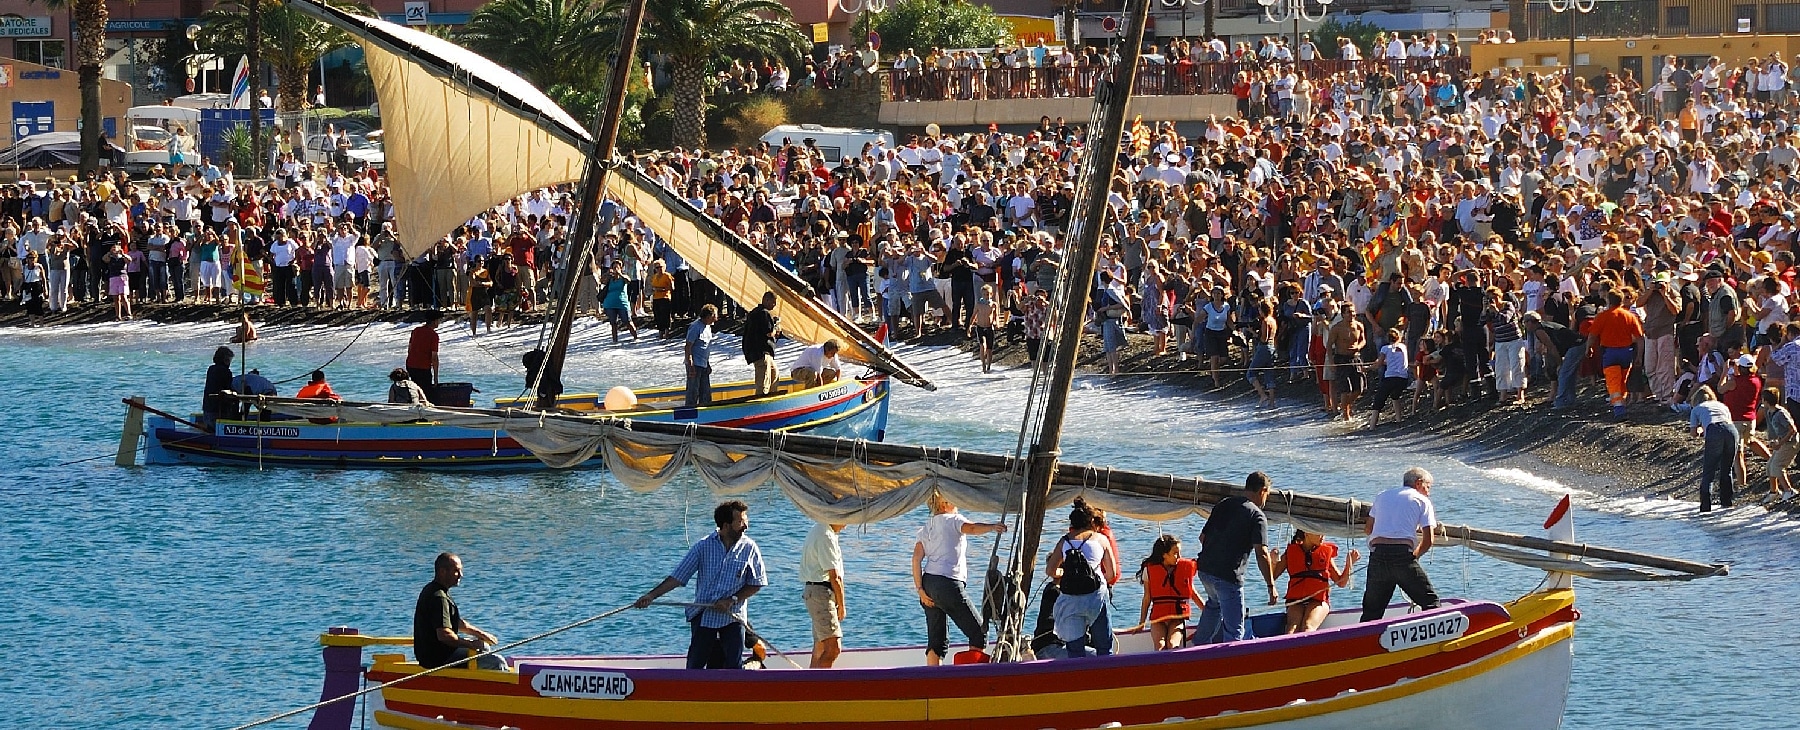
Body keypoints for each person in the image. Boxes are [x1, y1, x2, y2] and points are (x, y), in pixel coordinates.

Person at [634, 501, 767, 670]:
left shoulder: (750, 548)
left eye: (745, 520)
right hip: (705, 615)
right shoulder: (703, 547)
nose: (746, 525)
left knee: (734, 665)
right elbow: (677, 577)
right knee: (695, 665)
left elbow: (757, 583)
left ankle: (740, 683)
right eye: (740, 521)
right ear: (726, 526)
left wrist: (732, 600)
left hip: (733, 615)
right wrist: (650, 596)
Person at [912, 491, 1007, 666]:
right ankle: (971, 678)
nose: (957, 503)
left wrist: (920, 590)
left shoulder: (926, 527)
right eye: (954, 500)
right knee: (979, 632)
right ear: (944, 504)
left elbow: (916, 559)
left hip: (928, 583)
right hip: (947, 584)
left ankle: (934, 681)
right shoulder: (953, 520)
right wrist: (992, 527)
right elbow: (971, 528)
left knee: (936, 640)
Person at [1193, 471, 1279, 644]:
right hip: (1228, 576)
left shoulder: (1224, 504)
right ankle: (1230, 663)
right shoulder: (1257, 516)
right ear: (1262, 491)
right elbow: (1261, 553)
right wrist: (1271, 586)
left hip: (1205, 570)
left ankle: (1197, 649)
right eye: (1267, 495)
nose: (1266, 500)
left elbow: (1202, 537)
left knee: (1214, 605)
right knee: (1235, 631)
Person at [1360, 467, 1441, 622]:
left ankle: (1363, 643)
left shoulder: (1382, 496)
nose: (1429, 493)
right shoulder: (1422, 501)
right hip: (1402, 556)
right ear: (1418, 483)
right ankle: (1435, 640)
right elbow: (1428, 540)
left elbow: (1368, 529)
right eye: (1428, 487)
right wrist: (1414, 556)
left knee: (1372, 611)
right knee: (1431, 603)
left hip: (1377, 556)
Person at [1046, 498, 1117, 658]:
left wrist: (1067, 575)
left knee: (1075, 650)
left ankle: (1078, 679)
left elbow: (1050, 570)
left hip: (1071, 598)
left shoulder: (1064, 541)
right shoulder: (1100, 539)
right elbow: (1111, 574)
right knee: (1104, 648)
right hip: (1096, 597)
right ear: (1091, 520)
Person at [413, 552, 503, 670]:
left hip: (436, 654)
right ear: (442, 572)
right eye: (456, 571)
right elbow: (444, 635)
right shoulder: (438, 597)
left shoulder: (434, 590)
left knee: (484, 646)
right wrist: (470, 644)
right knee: (497, 662)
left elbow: (456, 622)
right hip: (438, 659)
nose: (461, 575)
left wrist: (481, 634)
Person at [1273, 530, 1359, 633]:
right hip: (1296, 601)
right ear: (1307, 533)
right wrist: (1273, 562)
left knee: (1307, 627)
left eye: (1323, 533)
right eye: (1319, 533)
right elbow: (1273, 576)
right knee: (1291, 629)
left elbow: (1341, 582)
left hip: (1319, 601)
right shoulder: (1291, 552)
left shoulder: (1325, 552)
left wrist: (1349, 564)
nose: (1323, 536)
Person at [1136, 534, 1202, 651]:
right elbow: (1147, 598)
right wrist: (1142, 623)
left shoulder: (1183, 569)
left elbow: (1192, 593)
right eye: (1175, 553)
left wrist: (1209, 613)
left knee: (1172, 644)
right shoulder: (1149, 570)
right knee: (1160, 645)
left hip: (1176, 617)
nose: (1179, 557)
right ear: (1164, 555)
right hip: (1158, 619)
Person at [1586, 289, 1644, 419]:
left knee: (1613, 381)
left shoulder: (1603, 316)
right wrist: (1639, 356)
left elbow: (1592, 335)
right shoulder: (1629, 316)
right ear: (1622, 300)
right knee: (1622, 381)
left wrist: (1588, 348)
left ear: (1608, 300)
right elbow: (1640, 337)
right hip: (1626, 352)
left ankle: (1619, 409)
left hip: (1610, 353)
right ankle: (1621, 403)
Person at [799, 521, 846, 668]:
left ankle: (810, 684)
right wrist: (841, 605)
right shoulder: (826, 535)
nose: (846, 525)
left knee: (820, 646)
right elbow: (834, 576)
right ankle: (820, 688)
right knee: (833, 648)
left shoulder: (819, 529)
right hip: (821, 592)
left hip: (814, 591)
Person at [1689, 386, 1737, 512]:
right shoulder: (1722, 405)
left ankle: (1705, 507)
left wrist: (1700, 430)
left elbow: (1693, 433)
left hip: (1714, 431)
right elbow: (1726, 421)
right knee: (1727, 469)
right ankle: (1727, 503)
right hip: (1731, 430)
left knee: (1709, 471)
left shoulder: (1696, 409)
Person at [1749, 387, 1798, 502]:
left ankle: (1789, 491)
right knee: (1770, 465)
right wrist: (1773, 441)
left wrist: (1780, 443)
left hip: (1791, 443)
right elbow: (1775, 430)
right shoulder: (1769, 412)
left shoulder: (1780, 413)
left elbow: (1793, 430)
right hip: (1781, 442)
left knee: (1778, 466)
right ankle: (1774, 491)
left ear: (1766, 401)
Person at [743, 291, 781, 395]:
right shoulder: (763, 313)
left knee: (774, 374)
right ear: (766, 300)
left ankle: (772, 397)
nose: (774, 305)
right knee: (763, 381)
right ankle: (761, 402)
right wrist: (776, 327)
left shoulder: (754, 313)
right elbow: (769, 333)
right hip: (761, 352)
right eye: (773, 302)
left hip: (763, 352)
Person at [685, 304, 719, 407]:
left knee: (705, 392)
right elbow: (688, 346)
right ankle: (690, 411)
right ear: (709, 315)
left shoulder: (708, 327)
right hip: (695, 364)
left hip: (704, 364)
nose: (716, 318)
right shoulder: (695, 327)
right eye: (715, 316)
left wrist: (708, 364)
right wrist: (690, 363)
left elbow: (705, 347)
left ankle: (705, 410)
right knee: (693, 391)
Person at [407, 311, 443, 390]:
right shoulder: (433, 335)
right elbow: (434, 357)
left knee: (414, 390)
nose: (439, 322)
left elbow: (409, 349)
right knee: (425, 392)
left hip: (411, 365)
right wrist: (436, 377)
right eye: (439, 320)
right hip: (422, 367)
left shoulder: (416, 330)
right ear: (434, 321)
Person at [202, 346, 235, 428]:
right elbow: (228, 389)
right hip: (218, 410)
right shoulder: (226, 372)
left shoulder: (211, 369)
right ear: (225, 360)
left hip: (207, 408)